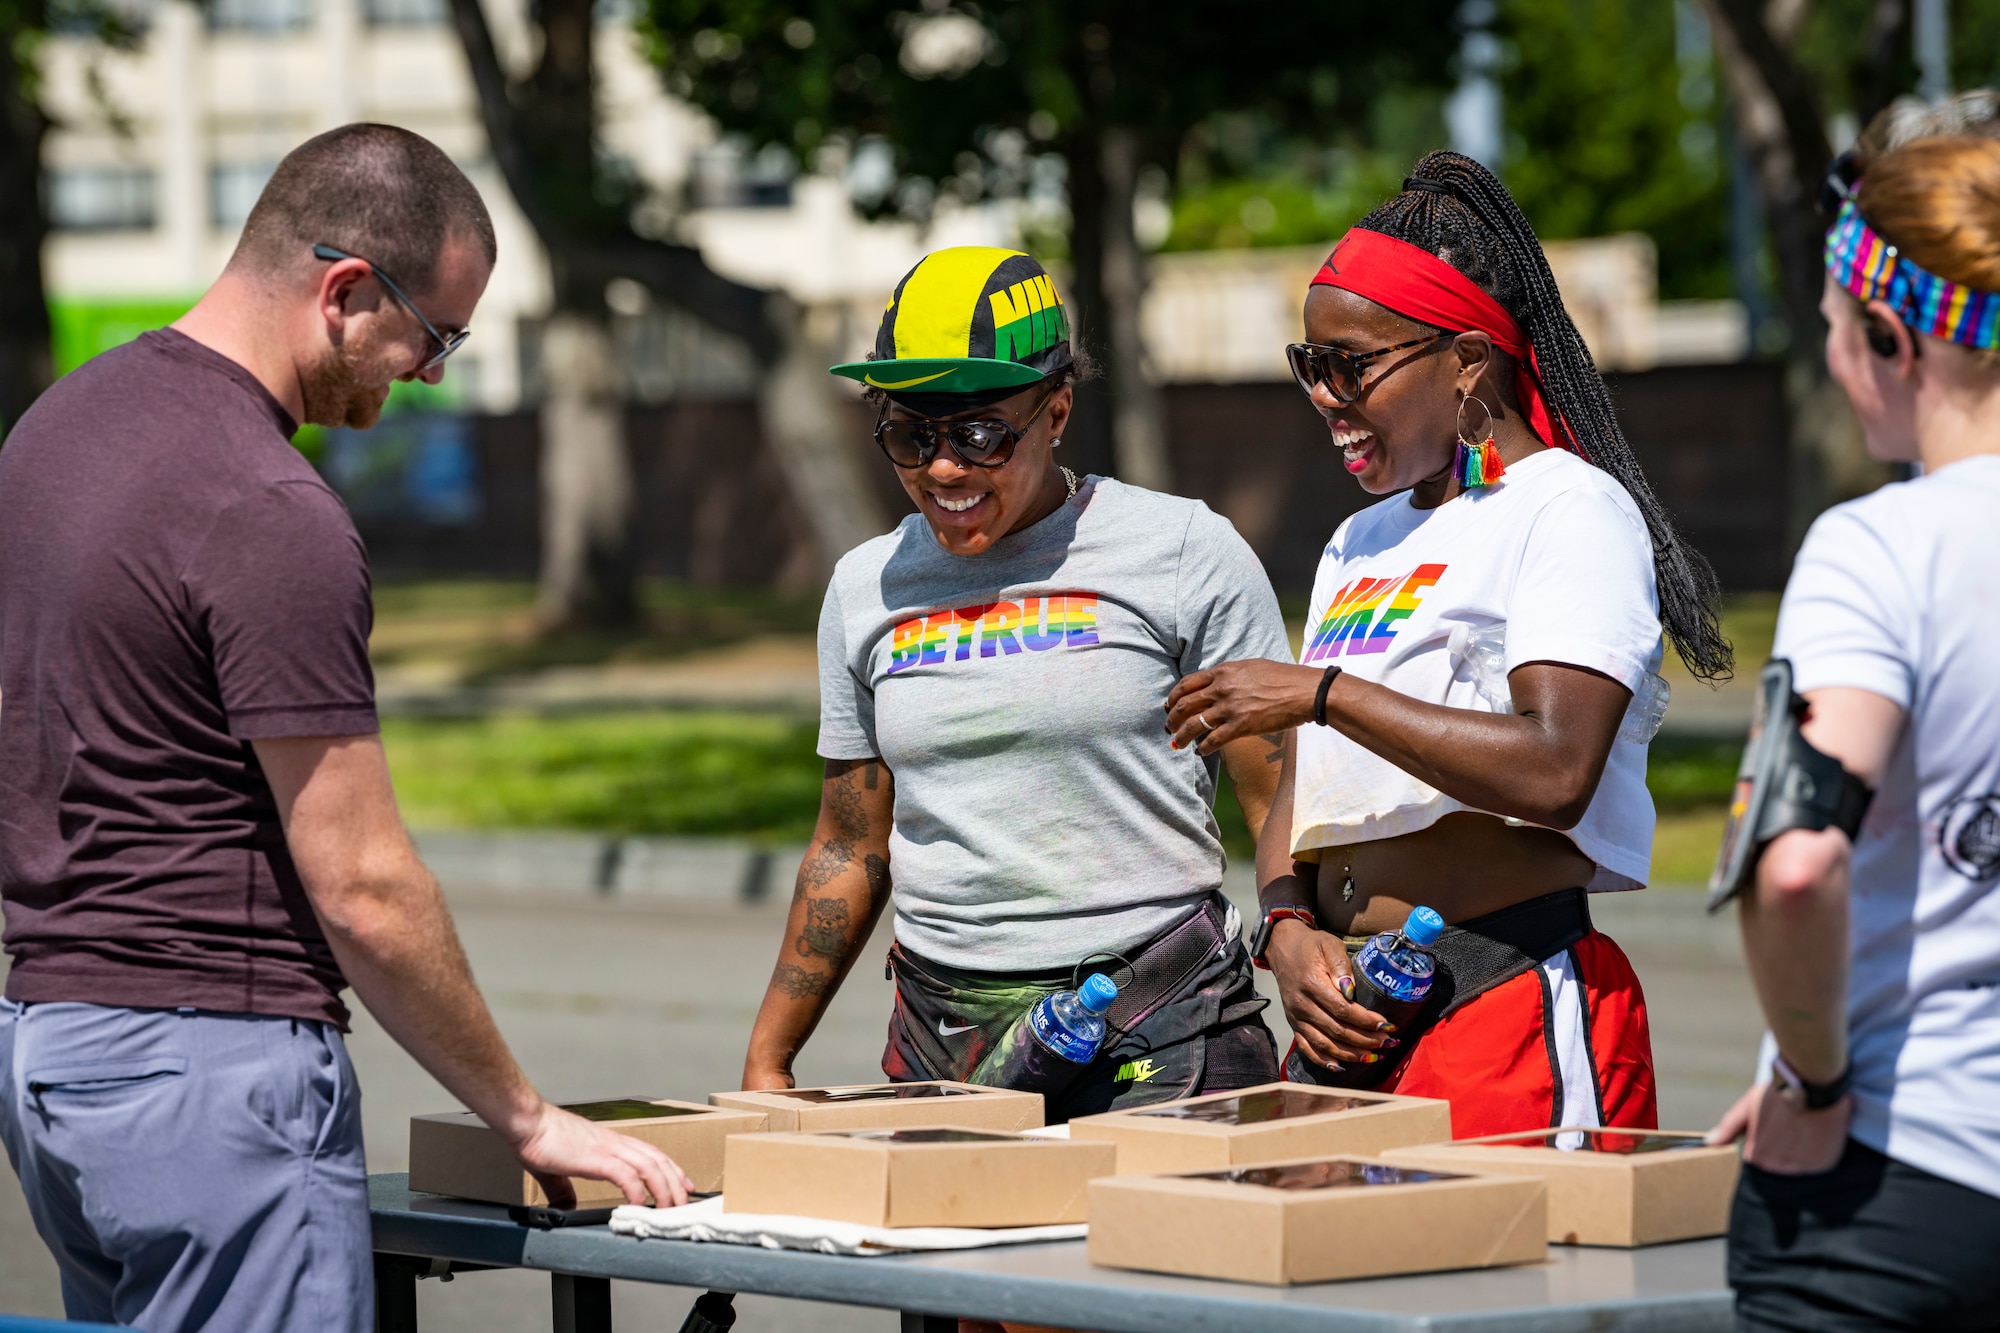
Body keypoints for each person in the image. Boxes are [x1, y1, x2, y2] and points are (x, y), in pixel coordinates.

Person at [0, 125, 687, 1333]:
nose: (428, 373)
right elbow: (362, 882)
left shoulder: (52, 435)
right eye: (435, 335)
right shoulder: (266, 507)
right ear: (347, 290)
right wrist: (524, 1115)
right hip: (216, 1071)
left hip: (56, 1059)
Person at [1166, 151, 1733, 1138]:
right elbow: (1307, 793)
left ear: (1465, 360)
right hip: (1353, 1025)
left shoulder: (1566, 510)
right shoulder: (1359, 539)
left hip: (1500, 997)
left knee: (1510, 1282)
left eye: (1351, 363)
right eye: (1309, 364)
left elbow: (1555, 769)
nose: (1322, 394)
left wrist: (1322, 691)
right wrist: (1289, 930)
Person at [738, 246, 1295, 1120]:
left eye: (980, 434)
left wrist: (1302, 948)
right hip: (946, 1037)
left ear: (1058, 411)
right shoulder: (865, 586)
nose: (946, 470)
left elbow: (1284, 796)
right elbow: (851, 844)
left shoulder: (1183, 552)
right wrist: (770, 1057)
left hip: (1161, 1024)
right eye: (911, 435)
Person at [1708, 134, 2000, 1329]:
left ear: (1893, 334)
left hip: (1904, 1178)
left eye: (1835, 324)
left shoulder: (1877, 548)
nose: (1831, 359)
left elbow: (1793, 863)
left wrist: (1812, 1072)